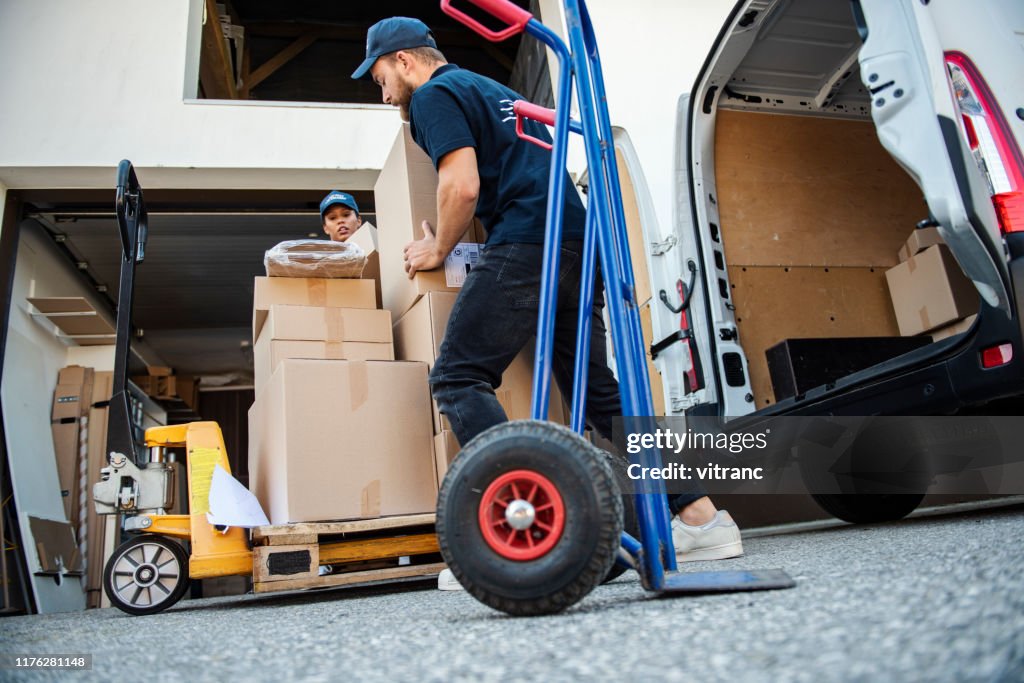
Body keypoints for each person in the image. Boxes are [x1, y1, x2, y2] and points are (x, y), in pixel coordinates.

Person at [353, 17, 742, 590]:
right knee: (600, 395)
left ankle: (531, 531)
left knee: (458, 377)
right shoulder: (497, 92)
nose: (385, 93)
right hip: (576, 245)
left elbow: (461, 186)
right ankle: (702, 519)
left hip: (530, 240)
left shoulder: (433, 96)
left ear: (406, 62)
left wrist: (438, 246)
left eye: (381, 77)